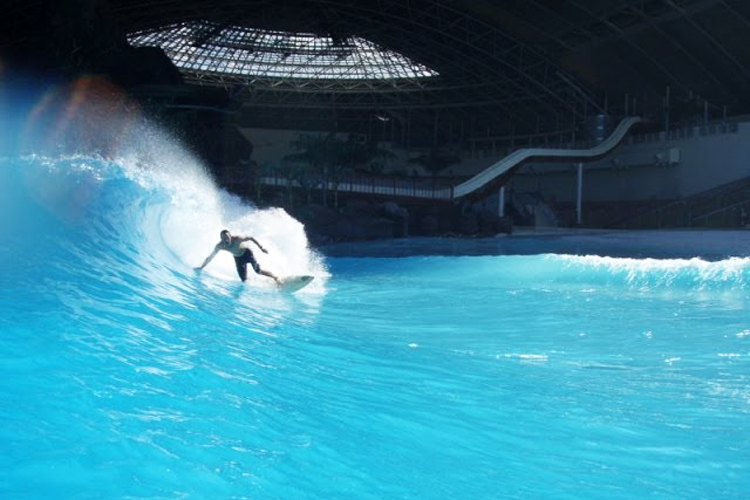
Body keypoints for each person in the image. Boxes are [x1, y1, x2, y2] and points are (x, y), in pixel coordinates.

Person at [196, 229, 281, 284]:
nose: (225, 240)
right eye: (223, 238)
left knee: (258, 271)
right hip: (238, 258)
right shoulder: (220, 245)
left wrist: (261, 248)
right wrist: (201, 267)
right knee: (244, 280)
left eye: (227, 238)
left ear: (230, 236)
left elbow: (251, 238)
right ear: (221, 239)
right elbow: (210, 257)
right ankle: (256, 282)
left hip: (247, 253)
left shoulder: (237, 239)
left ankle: (275, 278)